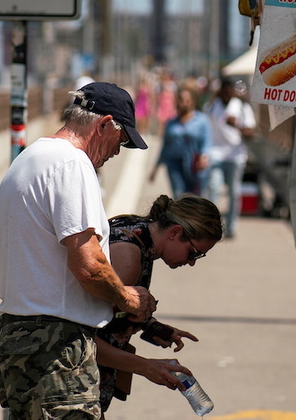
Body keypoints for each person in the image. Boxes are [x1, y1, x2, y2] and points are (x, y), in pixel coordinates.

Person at [0, 82, 157, 419]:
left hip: (17, 338)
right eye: (121, 140)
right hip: (57, 347)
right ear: (103, 125)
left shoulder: (29, 158)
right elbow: (89, 265)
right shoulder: (72, 165)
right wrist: (129, 298)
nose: (116, 152)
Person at [94, 194, 224, 413]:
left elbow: (112, 314)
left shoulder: (139, 232)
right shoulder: (128, 257)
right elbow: (80, 340)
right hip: (68, 380)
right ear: (175, 232)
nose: (191, 262)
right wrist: (147, 367)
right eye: (194, 253)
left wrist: (149, 325)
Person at [203, 77, 256, 237]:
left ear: (232, 91)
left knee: (234, 192)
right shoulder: (212, 106)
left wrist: (237, 125)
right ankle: (213, 226)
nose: (226, 95)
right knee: (214, 189)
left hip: (235, 156)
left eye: (229, 92)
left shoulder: (241, 107)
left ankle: (231, 227)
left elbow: (251, 133)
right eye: (223, 91)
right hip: (216, 154)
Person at [149, 87, 212, 198]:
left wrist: (204, 156)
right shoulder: (171, 123)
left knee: (194, 197)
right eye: (180, 99)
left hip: (193, 164)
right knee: (179, 193)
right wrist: (156, 168)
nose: (182, 103)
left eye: (185, 100)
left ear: (192, 101)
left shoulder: (201, 120)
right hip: (174, 163)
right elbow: (165, 146)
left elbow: (206, 141)